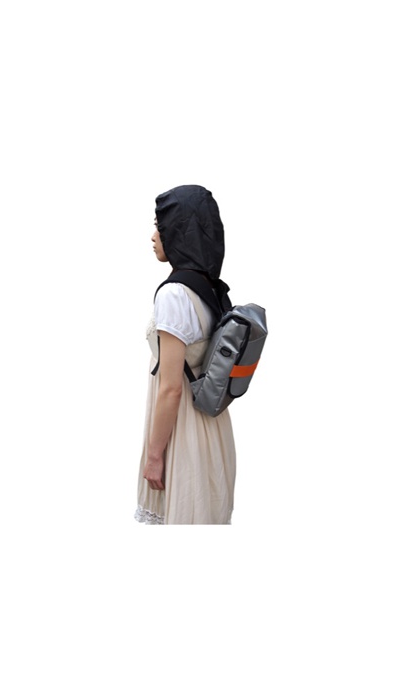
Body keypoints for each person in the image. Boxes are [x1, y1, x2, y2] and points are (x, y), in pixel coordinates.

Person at [134, 185, 236, 525]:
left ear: (180, 231)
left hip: (183, 433)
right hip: (212, 428)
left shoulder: (175, 295)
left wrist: (154, 456)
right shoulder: (209, 286)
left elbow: (171, 388)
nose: (153, 236)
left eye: (160, 226)